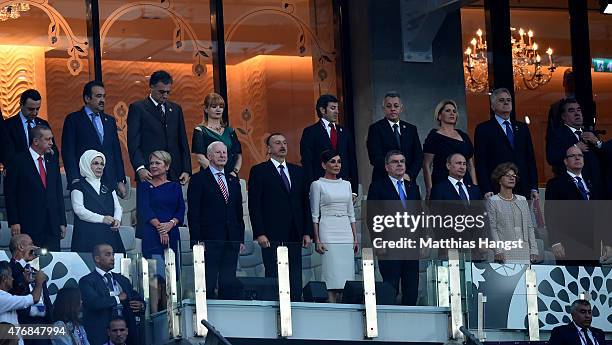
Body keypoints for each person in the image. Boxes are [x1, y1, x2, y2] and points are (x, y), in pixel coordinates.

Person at [248, 133, 313, 301]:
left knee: (295, 276)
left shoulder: (298, 171)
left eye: (284, 142)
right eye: (277, 143)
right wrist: (259, 232)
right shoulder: (259, 171)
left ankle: (297, 306)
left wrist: (307, 231)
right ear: (269, 149)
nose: (282, 146)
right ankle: (275, 310)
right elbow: (254, 204)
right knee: (274, 274)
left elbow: (305, 203)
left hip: (295, 231)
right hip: (271, 233)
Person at [188, 141, 244, 299]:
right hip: (209, 240)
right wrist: (197, 241)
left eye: (225, 153)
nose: (222, 155)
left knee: (228, 283)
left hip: (231, 240)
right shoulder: (199, 179)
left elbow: (238, 212)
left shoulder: (233, 181)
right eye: (218, 153)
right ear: (209, 156)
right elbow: (194, 213)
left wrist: (239, 239)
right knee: (209, 282)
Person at [367, 150, 421, 306]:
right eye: (395, 162)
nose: (399, 164)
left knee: (411, 287)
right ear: (386, 167)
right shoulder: (378, 186)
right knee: (390, 286)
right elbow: (373, 216)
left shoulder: (413, 187)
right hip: (389, 244)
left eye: (402, 161)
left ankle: (410, 321)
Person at [5, 125, 66, 250]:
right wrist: (14, 221)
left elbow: (58, 192)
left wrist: (61, 221)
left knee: (53, 262)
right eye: (47, 139)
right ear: (36, 141)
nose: (51, 143)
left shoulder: (52, 160)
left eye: (51, 139)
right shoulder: (18, 161)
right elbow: (10, 194)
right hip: (29, 224)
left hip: (52, 224)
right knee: (32, 263)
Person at [62, 81, 127, 197]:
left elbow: (116, 151)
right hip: (84, 181)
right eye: (98, 96)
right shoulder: (73, 120)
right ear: (87, 98)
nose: (103, 100)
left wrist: (120, 179)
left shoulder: (110, 121)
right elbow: (68, 152)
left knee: (111, 215)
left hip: (109, 181)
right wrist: (74, 179)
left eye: (104, 96)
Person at [127, 70, 191, 184]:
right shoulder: (138, 108)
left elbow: (183, 142)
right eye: (161, 92)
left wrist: (186, 169)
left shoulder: (176, 109)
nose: (165, 95)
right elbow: (133, 143)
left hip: (174, 173)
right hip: (149, 172)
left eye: (168, 92)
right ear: (151, 87)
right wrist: (140, 168)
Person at [309, 150, 357, 302]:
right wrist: (317, 239)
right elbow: (315, 214)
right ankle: (332, 307)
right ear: (324, 165)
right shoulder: (317, 185)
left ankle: (346, 309)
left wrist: (355, 238)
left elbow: (351, 214)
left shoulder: (347, 184)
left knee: (346, 275)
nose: (337, 165)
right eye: (332, 161)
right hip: (328, 228)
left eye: (339, 161)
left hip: (345, 230)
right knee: (332, 275)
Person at [474, 88, 538, 200]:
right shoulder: (483, 129)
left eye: (509, 100)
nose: (506, 102)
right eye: (501, 100)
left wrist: (534, 187)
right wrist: (486, 188)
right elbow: (481, 162)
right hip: (497, 187)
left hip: (523, 187)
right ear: (492, 106)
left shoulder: (522, 128)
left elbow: (530, 159)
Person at [545, 146, 602, 265]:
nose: (577, 158)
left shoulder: (592, 183)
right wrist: (555, 242)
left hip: (592, 244)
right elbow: (550, 215)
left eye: (580, 155)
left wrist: (606, 242)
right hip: (568, 245)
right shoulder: (555, 184)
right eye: (572, 156)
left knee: (591, 281)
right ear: (565, 161)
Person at [79, 244, 144, 345]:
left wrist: (141, 305)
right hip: (101, 335)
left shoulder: (122, 279)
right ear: (97, 258)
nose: (112, 258)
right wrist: (117, 298)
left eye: (113, 255)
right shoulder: (87, 281)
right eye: (108, 255)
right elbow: (93, 303)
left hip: (126, 336)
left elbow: (135, 297)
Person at [137, 150, 185, 273]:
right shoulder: (144, 186)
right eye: (151, 163)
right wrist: (161, 229)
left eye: (157, 163)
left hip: (172, 233)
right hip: (151, 233)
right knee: (154, 275)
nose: (153, 166)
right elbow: (144, 209)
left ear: (167, 166)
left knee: (172, 274)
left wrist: (171, 223)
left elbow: (180, 209)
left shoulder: (175, 186)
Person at [300, 94, 359, 193]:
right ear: (322, 110)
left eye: (337, 108)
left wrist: (354, 190)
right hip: (321, 185)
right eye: (333, 108)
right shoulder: (310, 132)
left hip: (343, 185)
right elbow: (307, 161)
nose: (337, 111)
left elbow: (352, 160)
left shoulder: (345, 132)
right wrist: (311, 187)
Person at [71, 150, 124, 253]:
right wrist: (102, 219)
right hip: (87, 236)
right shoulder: (78, 186)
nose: (99, 167)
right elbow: (79, 211)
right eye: (95, 163)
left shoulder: (108, 185)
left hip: (109, 234)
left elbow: (117, 207)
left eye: (102, 164)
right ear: (86, 164)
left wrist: (117, 219)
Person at [485, 163, 538, 264]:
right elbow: (492, 228)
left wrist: (534, 250)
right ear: (499, 180)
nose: (512, 178)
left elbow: (529, 227)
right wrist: (498, 250)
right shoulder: (493, 200)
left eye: (513, 176)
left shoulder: (522, 200)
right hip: (505, 250)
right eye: (507, 175)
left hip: (524, 250)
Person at [546, 98, 604, 189]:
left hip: (596, 188)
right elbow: (552, 158)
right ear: (563, 116)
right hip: (570, 188)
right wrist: (575, 147)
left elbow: (604, 157)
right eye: (571, 111)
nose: (577, 114)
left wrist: (598, 143)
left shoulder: (591, 134)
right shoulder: (557, 134)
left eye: (578, 110)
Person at [423, 100, 477, 199]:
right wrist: (429, 190)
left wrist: (475, 188)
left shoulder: (463, 136)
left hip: (464, 182)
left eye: (454, 111)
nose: (452, 113)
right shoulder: (434, 136)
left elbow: (471, 165)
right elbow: (426, 165)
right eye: (448, 111)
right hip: (442, 182)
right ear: (439, 115)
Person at [366, 92, 423, 182]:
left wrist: (409, 175)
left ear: (401, 108)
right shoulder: (376, 128)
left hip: (408, 179)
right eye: (389, 106)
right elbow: (375, 157)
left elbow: (418, 156)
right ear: (383, 109)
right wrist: (394, 174)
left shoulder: (411, 129)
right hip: (384, 180)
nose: (392, 109)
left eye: (396, 106)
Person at [8, 235, 53, 345]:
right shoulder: (9, 269)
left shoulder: (34, 269)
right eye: (31, 244)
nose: (34, 247)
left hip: (42, 323)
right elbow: (14, 286)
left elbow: (45, 296)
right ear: (21, 247)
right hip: (22, 323)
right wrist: (23, 261)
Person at [192, 93, 243, 176]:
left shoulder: (230, 131)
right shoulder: (200, 130)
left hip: (231, 176)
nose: (218, 109)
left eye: (221, 106)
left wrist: (235, 172)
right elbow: (200, 158)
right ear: (206, 109)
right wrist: (217, 174)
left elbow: (239, 155)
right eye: (214, 106)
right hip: (210, 176)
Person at [3, 89, 58, 163]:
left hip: (41, 169)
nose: (35, 113)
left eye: (37, 109)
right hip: (19, 171)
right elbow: (6, 153)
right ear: (21, 105)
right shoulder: (8, 125)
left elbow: (53, 150)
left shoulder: (43, 124)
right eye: (30, 109)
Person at [0, 261, 47, 345]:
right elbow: (34, 298)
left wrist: (25, 282)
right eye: (10, 276)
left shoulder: (5, 296)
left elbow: (16, 297)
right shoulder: (1, 298)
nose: (13, 279)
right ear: (4, 278)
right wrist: (39, 282)